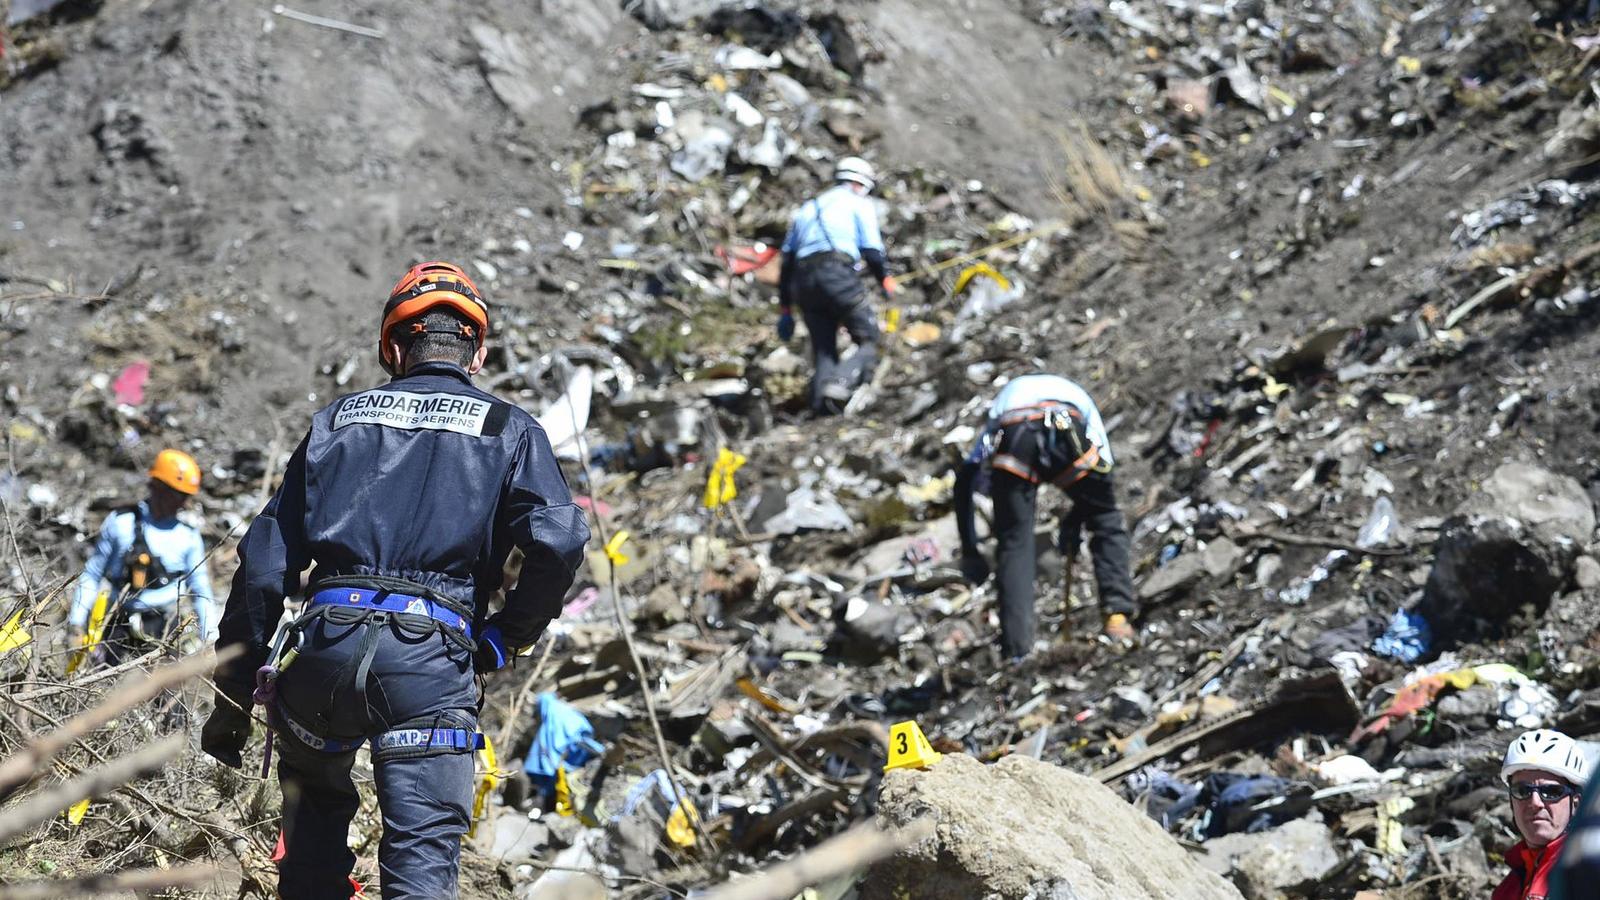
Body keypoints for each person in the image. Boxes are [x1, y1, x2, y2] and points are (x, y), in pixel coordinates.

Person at [201, 261, 590, 899]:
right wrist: (504, 637)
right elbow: (561, 539)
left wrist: (234, 696)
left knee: (312, 844)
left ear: (393, 346)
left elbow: (266, 560)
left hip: (321, 650)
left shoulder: (337, 422)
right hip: (430, 666)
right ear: (477, 350)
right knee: (420, 863)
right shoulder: (508, 428)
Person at [952, 374, 1137, 657]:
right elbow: (1101, 484)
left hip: (1016, 436)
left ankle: (1018, 650)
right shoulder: (1078, 397)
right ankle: (1117, 618)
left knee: (1015, 544)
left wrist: (970, 550)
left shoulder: (1006, 402)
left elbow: (966, 476)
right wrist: (1082, 515)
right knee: (1106, 520)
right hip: (1068, 428)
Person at [777, 156, 897, 415]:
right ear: (860, 184)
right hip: (835, 273)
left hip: (803, 282)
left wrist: (785, 310)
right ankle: (841, 382)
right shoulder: (857, 202)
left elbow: (785, 265)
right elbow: (872, 250)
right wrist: (885, 280)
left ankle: (822, 409)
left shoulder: (807, 208)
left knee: (824, 349)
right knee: (870, 339)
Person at [68, 448, 214, 661]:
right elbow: (92, 573)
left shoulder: (188, 536)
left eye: (185, 496)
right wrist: (76, 623)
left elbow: (201, 590)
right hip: (118, 620)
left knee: (164, 691)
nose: (181, 502)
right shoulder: (121, 523)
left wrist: (210, 639)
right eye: (176, 494)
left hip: (164, 626)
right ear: (157, 486)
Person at [1494, 729, 1590, 900]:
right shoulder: (1506, 889)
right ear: (1511, 802)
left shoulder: (1588, 874)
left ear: (1575, 803)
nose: (1535, 802)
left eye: (1552, 791)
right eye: (1522, 791)